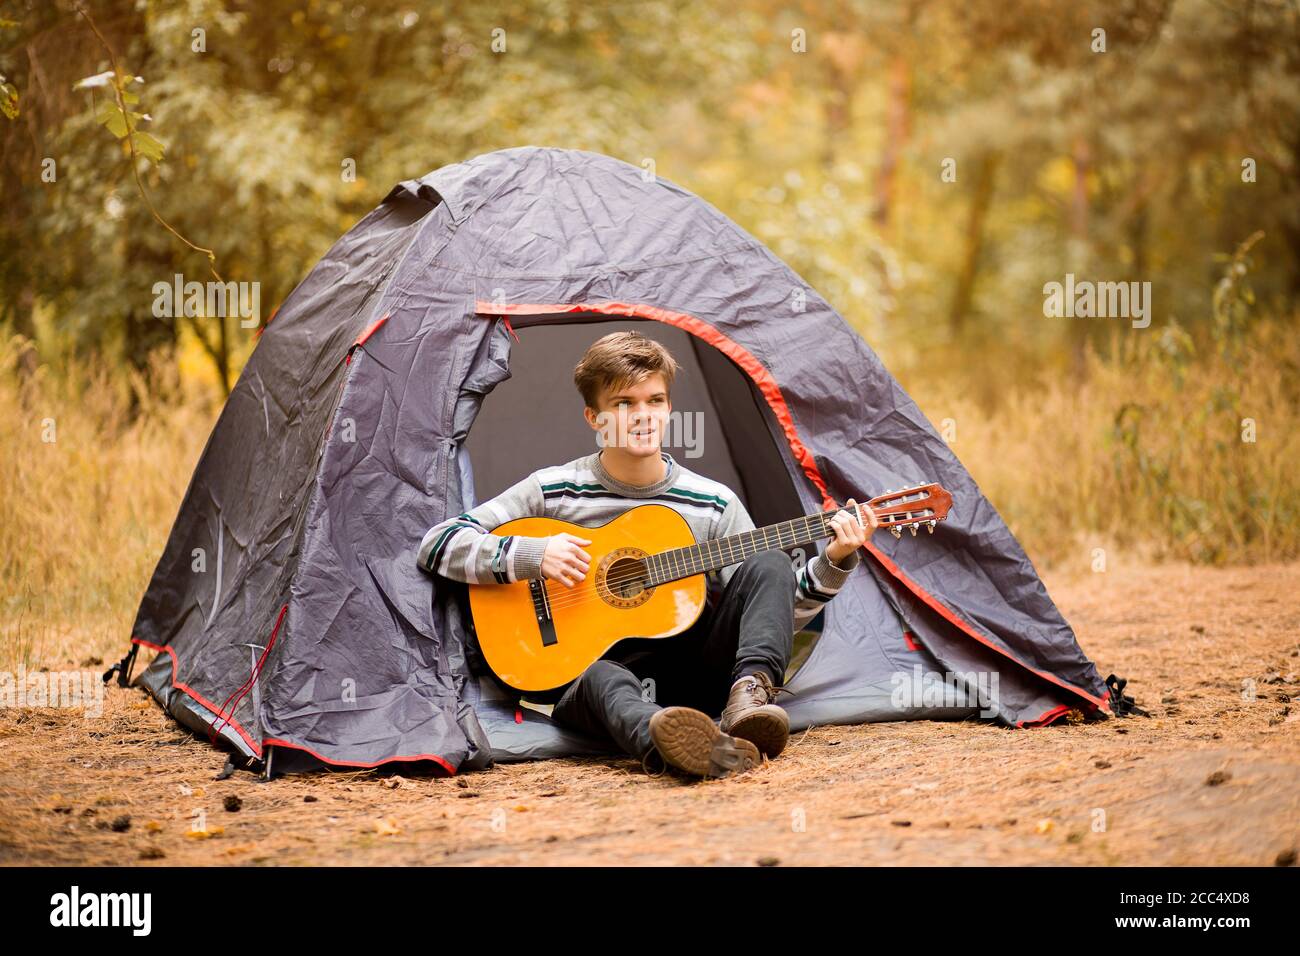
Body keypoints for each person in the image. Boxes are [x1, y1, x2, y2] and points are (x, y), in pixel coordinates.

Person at [417, 330, 877, 779]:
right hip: (588, 678)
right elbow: (438, 543)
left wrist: (833, 562)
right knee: (603, 679)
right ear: (594, 418)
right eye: (623, 404)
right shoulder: (553, 489)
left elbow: (771, 613)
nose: (643, 416)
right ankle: (678, 744)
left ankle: (748, 706)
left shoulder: (712, 503)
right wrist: (530, 555)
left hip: (696, 678)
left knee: (771, 561)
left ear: (669, 409)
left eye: (655, 401)